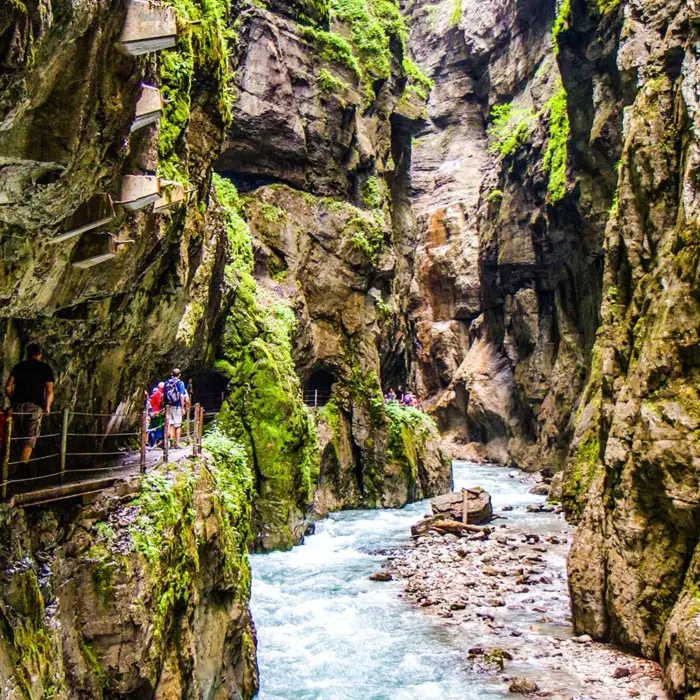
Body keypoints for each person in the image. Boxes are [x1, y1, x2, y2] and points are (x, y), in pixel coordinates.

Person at [4, 343, 55, 464]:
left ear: (27, 354)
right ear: (39, 355)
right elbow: (49, 391)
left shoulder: (18, 367)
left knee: (16, 438)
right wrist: (47, 407)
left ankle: (9, 468)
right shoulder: (45, 368)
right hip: (34, 407)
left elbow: (8, 387)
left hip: (17, 406)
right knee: (30, 439)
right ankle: (22, 467)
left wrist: (13, 401)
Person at [164, 368, 189, 449]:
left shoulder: (167, 382)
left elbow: (164, 395)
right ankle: (177, 443)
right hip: (177, 406)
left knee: (170, 424)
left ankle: (170, 442)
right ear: (179, 375)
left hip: (168, 406)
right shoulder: (180, 383)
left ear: (172, 374)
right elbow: (182, 395)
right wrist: (182, 407)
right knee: (178, 425)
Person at [148, 382, 165, 448]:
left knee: (152, 428)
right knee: (160, 427)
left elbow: (151, 404)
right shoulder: (165, 395)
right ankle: (160, 442)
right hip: (161, 414)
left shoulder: (156, 394)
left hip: (155, 413)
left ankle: (152, 444)